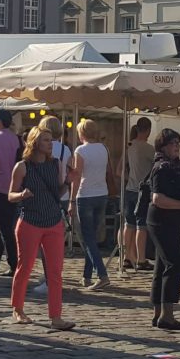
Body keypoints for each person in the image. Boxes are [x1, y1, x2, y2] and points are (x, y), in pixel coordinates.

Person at [9, 126, 76, 331]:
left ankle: (56, 316)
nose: (50, 144)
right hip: (30, 222)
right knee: (25, 267)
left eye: (51, 140)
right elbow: (10, 195)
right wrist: (21, 195)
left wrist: (67, 182)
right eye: (46, 140)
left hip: (53, 221)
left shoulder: (55, 164)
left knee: (55, 272)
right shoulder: (22, 167)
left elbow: (56, 192)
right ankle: (18, 309)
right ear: (35, 142)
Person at [146, 128, 180, 330]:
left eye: (178, 142)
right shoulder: (161, 167)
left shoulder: (176, 165)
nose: (176, 146)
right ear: (163, 146)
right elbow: (158, 199)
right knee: (175, 264)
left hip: (172, 221)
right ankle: (167, 315)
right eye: (172, 143)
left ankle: (159, 313)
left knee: (163, 265)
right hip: (161, 221)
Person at [71, 118, 117, 290]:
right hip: (101, 194)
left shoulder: (80, 150)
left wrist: (72, 200)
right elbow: (108, 171)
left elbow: (77, 177)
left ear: (81, 133)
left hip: (86, 195)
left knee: (88, 238)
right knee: (93, 238)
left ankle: (102, 274)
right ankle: (86, 275)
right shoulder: (104, 148)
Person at [0, 111, 22, 276]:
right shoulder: (16, 138)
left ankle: (14, 264)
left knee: (5, 228)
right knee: (6, 225)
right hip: (15, 187)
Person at [121, 117, 156, 272]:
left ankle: (127, 257)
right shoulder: (148, 149)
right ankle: (141, 259)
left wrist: (131, 177)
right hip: (142, 190)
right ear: (148, 130)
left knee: (129, 224)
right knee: (141, 225)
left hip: (129, 189)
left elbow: (119, 170)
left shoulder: (129, 146)